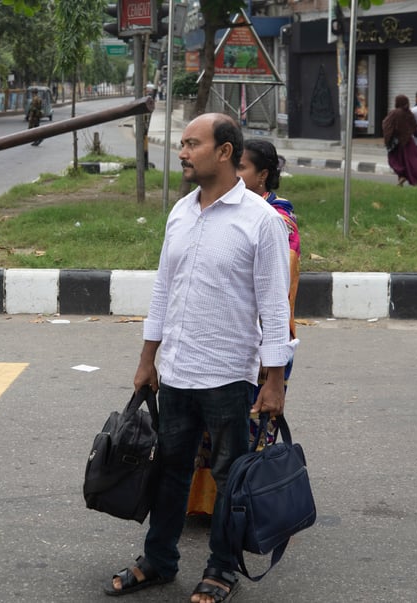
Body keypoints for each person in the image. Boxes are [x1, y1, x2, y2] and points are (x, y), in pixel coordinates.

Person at [104, 113, 297, 603]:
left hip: (230, 376)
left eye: (193, 144)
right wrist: (148, 359)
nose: (183, 153)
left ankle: (221, 568)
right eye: (183, 144)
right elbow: (163, 292)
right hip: (178, 371)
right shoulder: (181, 212)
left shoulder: (261, 221)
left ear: (226, 151)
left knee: (230, 477)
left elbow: (275, 306)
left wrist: (273, 381)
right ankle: (160, 560)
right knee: (169, 471)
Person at [185, 139, 301, 517]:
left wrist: (272, 362)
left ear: (262, 175)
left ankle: (243, 508)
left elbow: (277, 296)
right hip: (217, 343)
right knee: (209, 431)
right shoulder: (217, 209)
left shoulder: (276, 220)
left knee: (248, 432)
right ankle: (207, 505)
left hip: (261, 343)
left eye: (243, 169)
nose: (234, 175)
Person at [383, 94, 417, 186]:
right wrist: (415, 134)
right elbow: (414, 126)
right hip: (408, 142)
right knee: (414, 161)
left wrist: (388, 138)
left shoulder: (394, 113)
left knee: (395, 161)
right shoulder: (409, 113)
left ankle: (402, 176)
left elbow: (386, 125)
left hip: (397, 143)